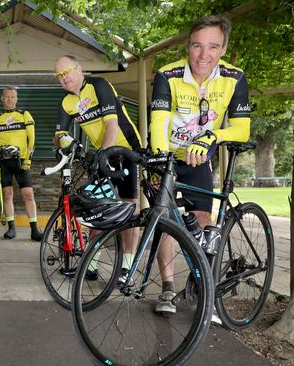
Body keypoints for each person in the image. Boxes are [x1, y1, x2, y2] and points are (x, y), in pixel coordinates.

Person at [150, 16, 250, 316]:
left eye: (213, 46)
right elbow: (158, 124)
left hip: (200, 159)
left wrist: (212, 137)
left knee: (203, 220)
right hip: (168, 154)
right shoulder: (168, 75)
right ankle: (167, 288)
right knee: (163, 221)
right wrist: (157, 162)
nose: (204, 54)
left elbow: (242, 129)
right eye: (197, 45)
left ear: (223, 49)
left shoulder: (235, 77)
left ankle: (205, 287)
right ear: (188, 46)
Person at [53, 55, 141, 281]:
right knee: (97, 208)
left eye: (67, 72)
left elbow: (111, 124)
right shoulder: (66, 102)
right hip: (103, 153)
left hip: (126, 148)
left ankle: (127, 268)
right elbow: (58, 135)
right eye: (59, 76)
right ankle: (90, 266)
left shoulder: (99, 85)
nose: (64, 78)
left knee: (129, 207)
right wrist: (66, 141)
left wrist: (103, 154)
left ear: (79, 68)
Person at [0, 86, 43, 241]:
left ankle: (34, 229)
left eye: (13, 97)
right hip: (4, 162)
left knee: (28, 194)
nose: (9, 100)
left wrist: (28, 159)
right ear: (2, 98)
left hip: (21, 161)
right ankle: (11, 227)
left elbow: (32, 139)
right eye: (7, 97)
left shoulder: (24, 115)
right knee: (7, 194)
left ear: (17, 99)